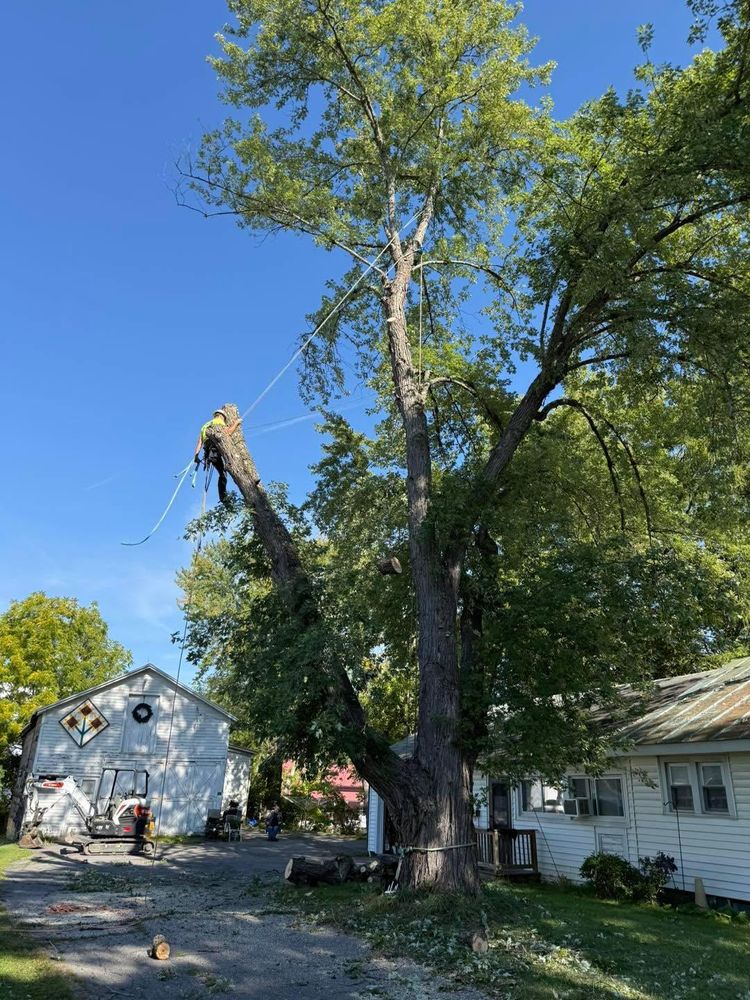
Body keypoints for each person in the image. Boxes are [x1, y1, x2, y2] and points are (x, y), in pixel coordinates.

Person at [193, 409, 242, 503]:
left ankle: (224, 499)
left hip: (209, 453)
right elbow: (226, 434)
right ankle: (224, 499)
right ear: (221, 416)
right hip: (214, 451)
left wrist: (196, 456)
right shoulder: (218, 421)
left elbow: (199, 442)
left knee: (222, 472)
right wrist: (236, 423)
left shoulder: (205, 426)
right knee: (223, 474)